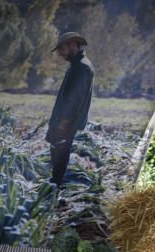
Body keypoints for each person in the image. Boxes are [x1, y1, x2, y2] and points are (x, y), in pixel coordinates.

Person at [47, 32, 94, 189]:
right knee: (57, 149)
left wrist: (64, 121)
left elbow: (75, 98)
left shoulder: (82, 67)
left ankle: (56, 183)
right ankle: (55, 181)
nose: (60, 53)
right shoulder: (77, 65)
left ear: (73, 45)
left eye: (62, 48)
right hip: (64, 119)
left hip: (66, 121)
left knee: (60, 150)